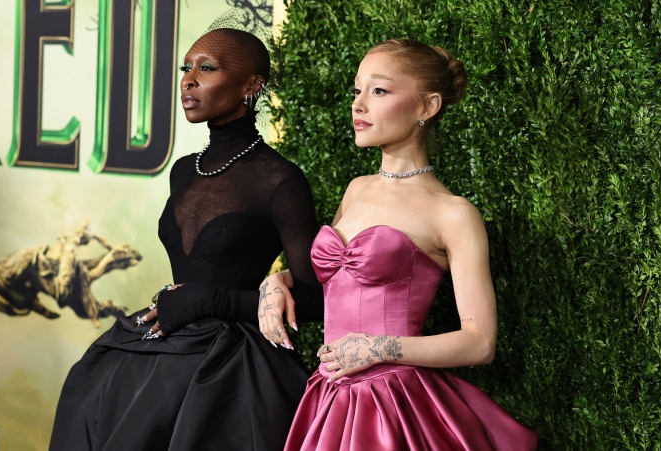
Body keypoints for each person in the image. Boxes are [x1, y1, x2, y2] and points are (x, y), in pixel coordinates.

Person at [49, 28, 323, 451]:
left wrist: (209, 301)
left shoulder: (280, 180)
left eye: (206, 68)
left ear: (252, 85)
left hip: (232, 368)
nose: (188, 80)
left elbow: (315, 298)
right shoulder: (183, 170)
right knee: (86, 394)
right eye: (186, 68)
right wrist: (185, 304)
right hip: (163, 339)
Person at [263, 39, 538, 450]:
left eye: (379, 90)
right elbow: (336, 285)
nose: (358, 105)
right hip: (328, 398)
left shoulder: (453, 214)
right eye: (356, 90)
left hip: (393, 405)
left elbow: (480, 342)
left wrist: (379, 348)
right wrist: (277, 281)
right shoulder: (356, 190)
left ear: (428, 106)